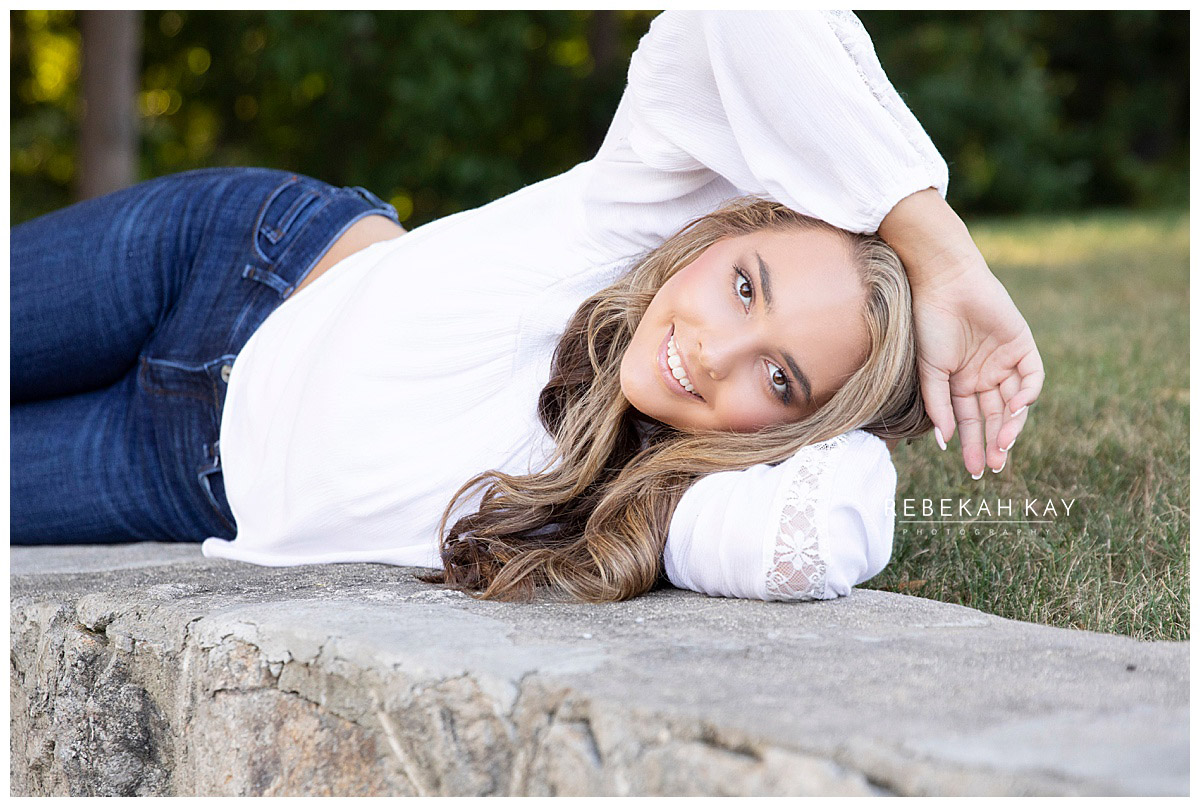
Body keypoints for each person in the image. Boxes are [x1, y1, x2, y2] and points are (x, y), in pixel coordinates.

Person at [10, 11, 1043, 604]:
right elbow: (743, 18)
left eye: (781, 378)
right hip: (246, 260)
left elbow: (824, 535)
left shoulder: (661, 497)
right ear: (722, 236)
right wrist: (937, 248)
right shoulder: (628, 217)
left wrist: (851, 408)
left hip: (177, 473)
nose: (711, 350)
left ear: (799, 428)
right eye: (743, 286)